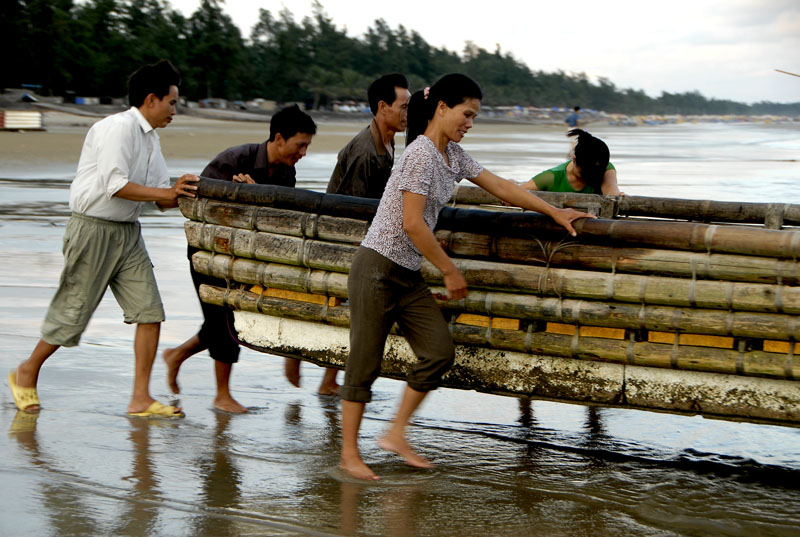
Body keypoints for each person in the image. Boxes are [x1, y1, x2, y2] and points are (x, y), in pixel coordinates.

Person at [339, 74, 593, 480]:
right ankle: (349, 456)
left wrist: (554, 211)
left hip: (405, 272)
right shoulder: (419, 155)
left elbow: (500, 187)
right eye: (467, 114)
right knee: (364, 361)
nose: (470, 122)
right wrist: (449, 270)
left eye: (474, 116)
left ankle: (396, 434)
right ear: (442, 107)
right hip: (376, 268)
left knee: (439, 352)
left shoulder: (452, 155)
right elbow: (412, 224)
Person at [7, 60, 199, 417]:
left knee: (149, 311)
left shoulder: (150, 138)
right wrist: (168, 191)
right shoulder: (117, 129)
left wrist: (188, 191)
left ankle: (140, 398)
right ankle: (26, 371)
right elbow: (117, 187)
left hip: (128, 234)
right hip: (92, 229)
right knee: (73, 312)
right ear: (151, 99)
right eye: (172, 102)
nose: (176, 110)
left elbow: (160, 198)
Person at [163, 105, 319, 412]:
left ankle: (177, 355)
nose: (303, 152)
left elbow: (279, 218)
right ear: (278, 138)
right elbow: (201, 208)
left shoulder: (287, 172)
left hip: (245, 255)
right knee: (222, 320)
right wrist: (241, 199)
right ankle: (221, 395)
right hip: (207, 252)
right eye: (300, 144)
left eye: (306, 146)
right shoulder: (233, 160)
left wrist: (255, 195)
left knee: (228, 319)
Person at [326, 73, 411, 199]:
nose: (408, 114)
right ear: (382, 107)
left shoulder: (387, 141)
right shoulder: (365, 151)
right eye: (404, 107)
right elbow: (351, 204)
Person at [521, 129, 623, 196]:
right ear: (574, 160)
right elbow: (518, 192)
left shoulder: (604, 168)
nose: (590, 176)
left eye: (596, 173)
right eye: (585, 172)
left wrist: (616, 195)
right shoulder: (552, 177)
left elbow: (610, 186)